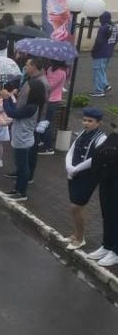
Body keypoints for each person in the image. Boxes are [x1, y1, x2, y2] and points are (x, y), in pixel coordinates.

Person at [3, 59, 47, 201]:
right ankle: (17, 189)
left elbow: (12, 113)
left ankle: (21, 192)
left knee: (23, 167)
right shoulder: (30, 105)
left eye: (27, 89)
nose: (24, 90)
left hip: (23, 140)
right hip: (21, 138)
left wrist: (6, 99)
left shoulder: (31, 107)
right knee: (21, 165)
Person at [65, 107, 108, 250]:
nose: (86, 123)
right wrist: (69, 166)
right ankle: (75, 233)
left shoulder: (101, 138)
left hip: (87, 177)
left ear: (98, 123)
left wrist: (76, 169)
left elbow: (95, 159)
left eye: (90, 121)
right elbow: (71, 149)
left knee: (76, 207)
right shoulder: (83, 133)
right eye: (84, 120)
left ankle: (80, 238)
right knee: (74, 207)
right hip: (73, 174)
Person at [87, 125, 118, 266]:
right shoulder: (113, 137)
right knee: (108, 215)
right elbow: (99, 154)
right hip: (108, 183)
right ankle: (107, 245)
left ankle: (116, 252)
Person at [39, 60, 67, 154]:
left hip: (53, 100)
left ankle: (49, 148)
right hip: (46, 99)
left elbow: (49, 86)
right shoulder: (51, 69)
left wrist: (42, 76)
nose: (49, 61)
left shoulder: (61, 72)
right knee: (43, 121)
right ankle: (43, 141)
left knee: (48, 123)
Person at [90, 11, 116, 97]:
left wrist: (94, 50)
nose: (99, 20)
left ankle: (99, 91)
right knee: (102, 70)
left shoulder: (103, 28)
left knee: (97, 71)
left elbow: (99, 42)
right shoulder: (114, 27)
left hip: (100, 53)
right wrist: (110, 47)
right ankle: (105, 85)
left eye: (100, 18)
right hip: (109, 53)